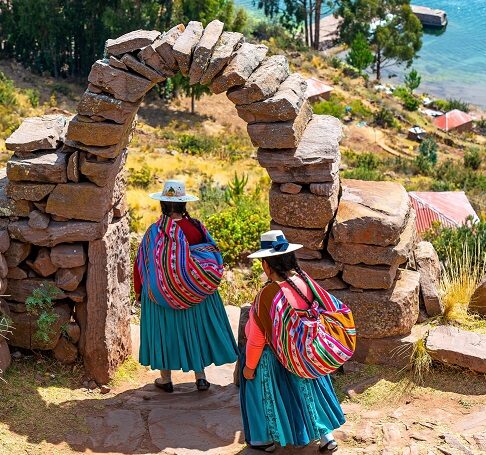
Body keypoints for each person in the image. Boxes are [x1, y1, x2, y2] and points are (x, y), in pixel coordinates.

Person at [239, 230, 354, 453]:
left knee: (254, 379)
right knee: (312, 390)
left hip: (281, 358)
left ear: (266, 265)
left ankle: (265, 439)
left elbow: (257, 338)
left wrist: (249, 368)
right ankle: (325, 436)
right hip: (308, 353)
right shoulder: (304, 281)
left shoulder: (268, 294)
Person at [134, 179, 238, 392]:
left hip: (161, 296)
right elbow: (212, 255)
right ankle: (200, 377)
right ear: (184, 205)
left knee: (165, 332)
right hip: (197, 294)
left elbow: (141, 263)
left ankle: (166, 379)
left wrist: (140, 291)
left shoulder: (154, 232)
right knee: (195, 330)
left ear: (162, 205)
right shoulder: (197, 228)